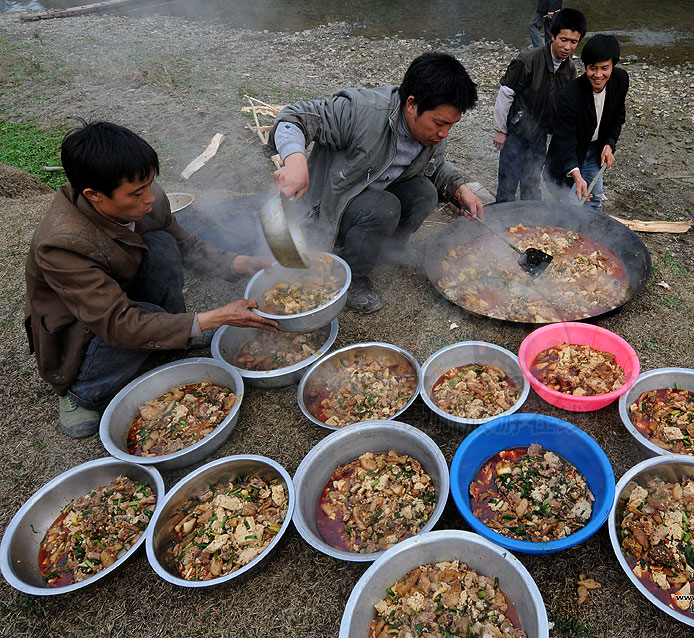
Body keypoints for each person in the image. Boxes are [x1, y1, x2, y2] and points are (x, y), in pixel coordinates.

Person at [24, 122, 277, 438]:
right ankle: (82, 393)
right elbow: (118, 324)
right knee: (137, 320)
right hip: (84, 326)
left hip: (120, 292)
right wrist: (214, 318)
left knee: (161, 243)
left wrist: (238, 262)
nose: (149, 198)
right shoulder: (62, 244)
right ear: (94, 195)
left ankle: (174, 334)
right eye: (136, 193)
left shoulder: (149, 198)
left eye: (149, 184)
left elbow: (184, 245)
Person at [270, 52, 484, 314]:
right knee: (384, 207)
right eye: (440, 123)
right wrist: (295, 162)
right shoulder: (363, 112)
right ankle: (352, 273)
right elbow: (293, 118)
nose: (444, 133)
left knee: (425, 193)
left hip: (372, 196)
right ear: (412, 104)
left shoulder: (432, 134)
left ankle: (388, 249)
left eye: (451, 125)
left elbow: (435, 166)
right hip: (328, 207)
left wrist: (459, 188)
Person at [494, 8, 586, 203]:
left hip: (540, 135)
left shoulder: (569, 70)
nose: (567, 47)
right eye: (563, 40)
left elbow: (567, 107)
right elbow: (505, 94)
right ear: (552, 36)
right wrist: (500, 130)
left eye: (573, 42)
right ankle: (501, 217)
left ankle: (530, 220)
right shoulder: (527, 61)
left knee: (532, 184)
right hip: (516, 131)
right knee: (507, 184)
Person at [546, 34, 628, 211]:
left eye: (604, 68)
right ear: (585, 66)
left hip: (595, 150)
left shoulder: (620, 80)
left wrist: (609, 144)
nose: (598, 75)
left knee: (594, 198)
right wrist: (576, 174)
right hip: (569, 153)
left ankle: (593, 227)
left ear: (613, 65)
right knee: (572, 203)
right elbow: (564, 140)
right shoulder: (569, 96)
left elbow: (618, 117)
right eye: (592, 68)